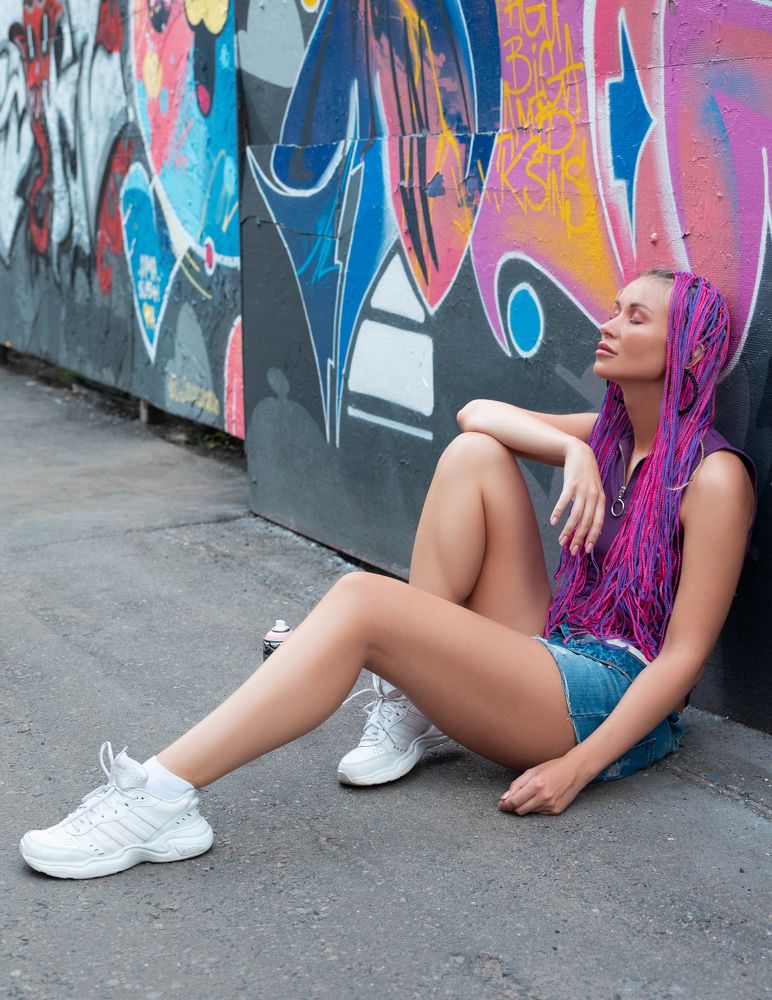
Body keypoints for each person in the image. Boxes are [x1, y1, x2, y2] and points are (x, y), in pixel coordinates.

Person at [20, 270, 756, 880]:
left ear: (686, 350)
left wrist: (580, 768)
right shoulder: (608, 439)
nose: (609, 323)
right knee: (474, 455)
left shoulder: (714, 478)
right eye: (615, 307)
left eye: (635, 317)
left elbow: (681, 661)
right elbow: (476, 413)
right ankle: (410, 698)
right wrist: (574, 452)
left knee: (363, 603)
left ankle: (159, 797)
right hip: (557, 649)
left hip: (607, 698)